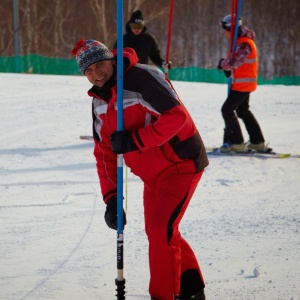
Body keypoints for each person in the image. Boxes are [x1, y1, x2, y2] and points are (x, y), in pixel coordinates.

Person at [71, 39, 208, 300]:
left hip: (181, 164)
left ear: (111, 60)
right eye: (88, 71)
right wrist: (111, 199)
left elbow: (177, 117)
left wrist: (135, 141)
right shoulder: (99, 101)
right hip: (151, 174)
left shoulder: (141, 78)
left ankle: (164, 295)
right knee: (162, 233)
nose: (96, 74)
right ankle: (191, 288)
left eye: (100, 65)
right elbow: (104, 153)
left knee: (160, 232)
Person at [217, 14, 270, 153]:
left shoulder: (244, 43)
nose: (224, 33)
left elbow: (235, 62)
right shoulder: (241, 42)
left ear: (230, 29)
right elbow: (235, 64)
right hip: (243, 83)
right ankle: (257, 141)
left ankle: (236, 142)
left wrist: (223, 64)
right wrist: (228, 67)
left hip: (242, 85)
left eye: (225, 30)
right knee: (242, 110)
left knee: (227, 110)